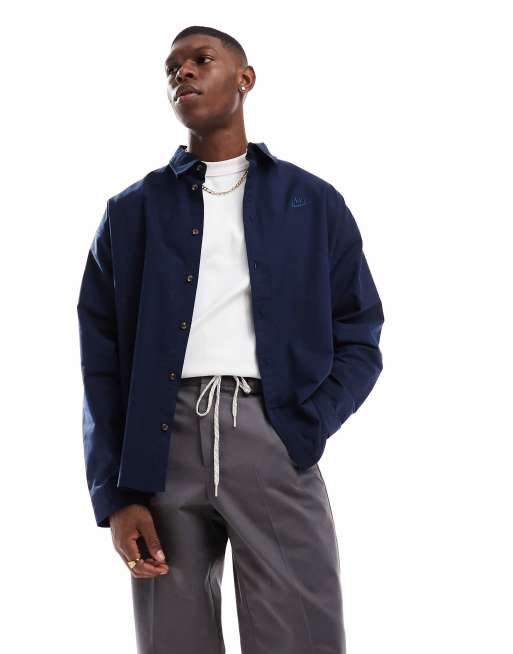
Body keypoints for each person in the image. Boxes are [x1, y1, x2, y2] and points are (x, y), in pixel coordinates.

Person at [76, 24, 384, 654]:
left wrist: (308, 422)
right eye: (172, 68)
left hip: (273, 437)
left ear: (245, 79)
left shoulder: (312, 202)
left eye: (201, 60)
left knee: (302, 638)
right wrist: (116, 494)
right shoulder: (131, 212)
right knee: (172, 641)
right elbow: (100, 364)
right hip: (160, 452)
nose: (183, 73)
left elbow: (360, 332)